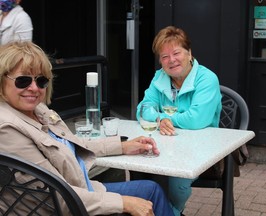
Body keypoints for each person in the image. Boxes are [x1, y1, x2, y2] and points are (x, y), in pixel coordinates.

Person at [0, 41, 175, 216]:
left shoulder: (37, 110)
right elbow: (56, 195)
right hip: (67, 206)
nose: (34, 88)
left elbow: (72, 143)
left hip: (80, 191)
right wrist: (124, 203)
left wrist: (122, 146)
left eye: (41, 80)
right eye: (22, 81)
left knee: (151, 190)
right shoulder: (7, 128)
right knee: (147, 194)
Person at [135, 26, 222, 216]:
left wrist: (164, 117)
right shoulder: (160, 77)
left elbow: (196, 119)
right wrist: (158, 118)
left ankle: (169, 212)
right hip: (166, 144)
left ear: (189, 53)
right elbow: (142, 109)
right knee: (137, 162)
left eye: (176, 53)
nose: (171, 60)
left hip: (202, 147)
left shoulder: (207, 79)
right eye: (164, 56)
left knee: (177, 175)